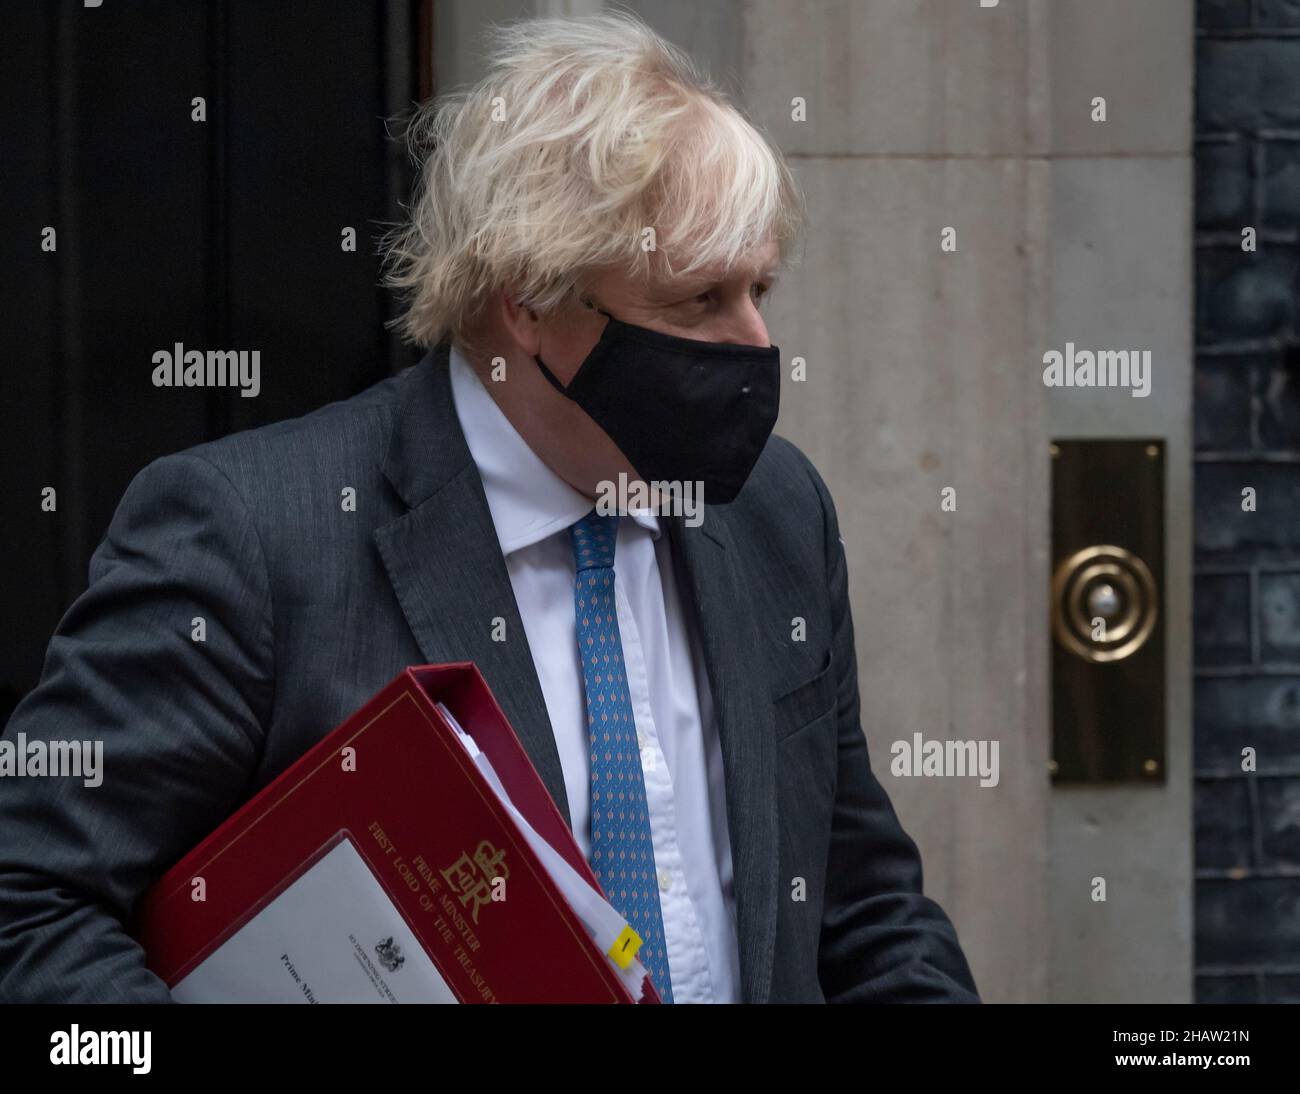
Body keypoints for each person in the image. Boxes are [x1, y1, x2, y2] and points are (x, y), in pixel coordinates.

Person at [0, 10, 977, 1003]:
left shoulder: (774, 511)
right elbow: (30, 899)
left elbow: (862, 908)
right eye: (697, 299)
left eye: (760, 287)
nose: (754, 342)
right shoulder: (251, 536)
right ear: (526, 298)